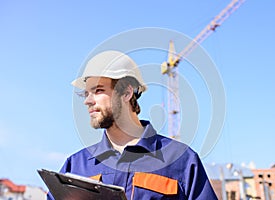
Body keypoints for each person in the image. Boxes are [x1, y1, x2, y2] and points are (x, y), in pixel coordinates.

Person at [47, 50, 217, 200]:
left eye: (98, 90)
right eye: (86, 93)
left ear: (127, 92)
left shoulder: (181, 160)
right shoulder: (76, 165)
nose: (88, 101)